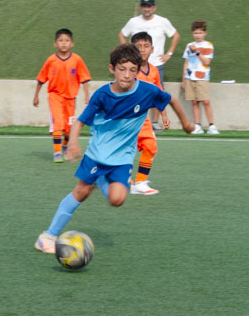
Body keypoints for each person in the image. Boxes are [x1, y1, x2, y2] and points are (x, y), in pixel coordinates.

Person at [34, 43, 194, 254]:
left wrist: (186, 123)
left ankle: (100, 178)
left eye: (132, 70)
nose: (127, 75)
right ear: (112, 68)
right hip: (97, 154)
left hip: (122, 158)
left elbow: (171, 99)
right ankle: (48, 236)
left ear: (138, 70)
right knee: (81, 192)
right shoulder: (102, 95)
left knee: (117, 200)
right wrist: (72, 143)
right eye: (122, 69)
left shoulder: (146, 91)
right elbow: (80, 121)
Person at [32, 28, 91, 162]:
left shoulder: (77, 60)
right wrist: (36, 96)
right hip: (55, 96)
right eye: (60, 40)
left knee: (69, 129)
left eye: (67, 40)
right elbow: (41, 79)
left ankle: (64, 146)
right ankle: (57, 152)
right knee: (58, 124)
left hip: (70, 98)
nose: (64, 43)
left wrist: (87, 95)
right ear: (55, 43)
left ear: (72, 43)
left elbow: (84, 79)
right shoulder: (51, 60)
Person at [129, 32, 170, 195]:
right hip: (126, 118)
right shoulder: (128, 70)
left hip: (143, 118)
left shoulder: (153, 71)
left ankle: (140, 182)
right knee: (126, 150)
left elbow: (159, 95)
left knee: (151, 146)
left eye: (146, 46)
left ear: (152, 49)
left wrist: (164, 115)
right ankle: (124, 179)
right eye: (138, 46)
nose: (142, 50)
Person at [118, 0, 179, 86]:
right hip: (137, 65)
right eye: (144, 6)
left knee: (157, 92)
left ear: (154, 8)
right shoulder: (133, 22)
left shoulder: (162, 21)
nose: (146, 9)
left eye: (149, 6)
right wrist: (129, 52)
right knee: (136, 90)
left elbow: (176, 35)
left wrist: (169, 54)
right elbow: (121, 35)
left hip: (156, 64)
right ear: (140, 8)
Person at [181, 20, 218, 134]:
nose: (198, 35)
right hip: (190, 77)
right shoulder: (189, 46)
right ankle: (197, 126)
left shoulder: (208, 45)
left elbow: (207, 62)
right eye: (196, 33)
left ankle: (211, 126)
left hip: (203, 78)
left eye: (200, 33)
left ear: (205, 33)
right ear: (192, 34)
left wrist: (197, 51)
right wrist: (184, 79)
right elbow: (186, 62)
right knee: (194, 102)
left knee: (206, 101)